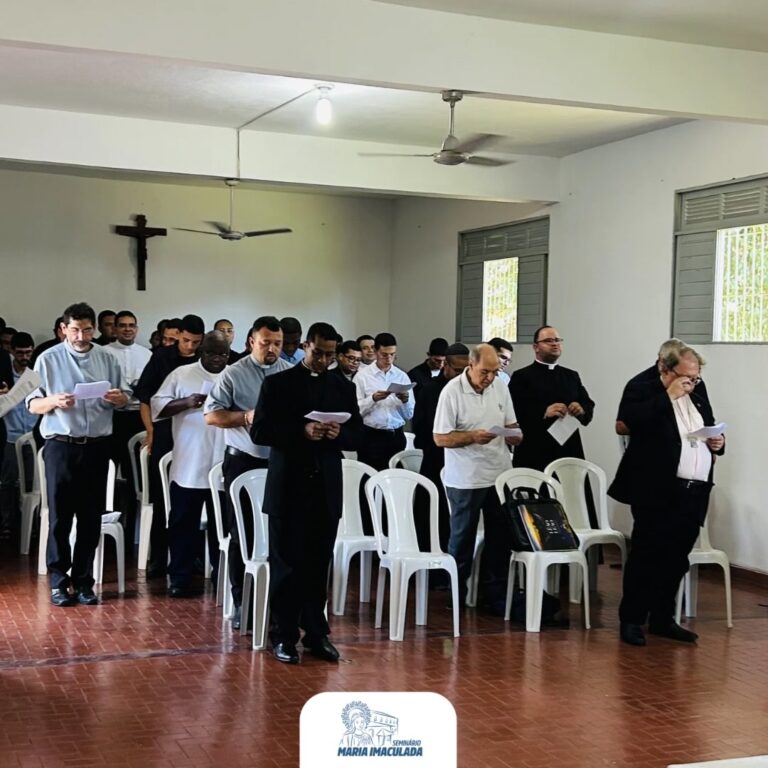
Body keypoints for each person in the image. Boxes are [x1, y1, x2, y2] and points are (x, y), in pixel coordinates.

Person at [251, 321, 362, 664]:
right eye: (318, 352)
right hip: (288, 486)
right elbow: (260, 431)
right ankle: (283, 635)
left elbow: (356, 434)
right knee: (286, 565)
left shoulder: (342, 387)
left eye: (331, 354)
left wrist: (335, 435)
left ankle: (316, 633)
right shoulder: (278, 383)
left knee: (318, 564)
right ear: (305, 347)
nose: (324, 360)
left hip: (325, 487)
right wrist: (303, 430)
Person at [610, 342, 725, 647]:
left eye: (696, 377)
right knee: (647, 555)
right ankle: (632, 619)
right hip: (656, 488)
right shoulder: (641, 386)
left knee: (676, 559)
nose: (691, 383)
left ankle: (663, 618)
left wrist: (718, 442)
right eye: (686, 377)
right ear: (665, 368)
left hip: (694, 491)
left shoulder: (698, 390)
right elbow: (627, 423)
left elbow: (708, 424)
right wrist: (667, 397)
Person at [26, 302, 129, 606]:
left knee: (89, 516)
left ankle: (84, 581)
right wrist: (53, 401)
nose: (81, 335)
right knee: (59, 516)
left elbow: (125, 397)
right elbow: (32, 404)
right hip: (61, 444)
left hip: (97, 444)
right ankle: (58, 581)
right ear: (63, 329)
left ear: (94, 329)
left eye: (86, 329)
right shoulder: (47, 359)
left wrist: (118, 398)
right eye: (74, 329)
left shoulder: (107, 358)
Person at [204, 316, 291, 629]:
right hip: (244, 461)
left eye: (277, 343)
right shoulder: (233, 374)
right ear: (251, 341)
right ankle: (242, 600)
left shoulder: (288, 373)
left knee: (281, 534)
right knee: (243, 535)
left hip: (280, 462)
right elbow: (212, 416)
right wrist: (245, 417)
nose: (271, 348)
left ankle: (279, 602)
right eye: (265, 342)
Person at [433, 343, 522, 608]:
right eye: (485, 371)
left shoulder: (500, 387)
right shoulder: (451, 392)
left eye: (495, 372)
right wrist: (472, 437)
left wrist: (516, 435)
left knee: (500, 538)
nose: (490, 378)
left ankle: (494, 595)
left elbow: (512, 425)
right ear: (470, 366)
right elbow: (440, 438)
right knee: (462, 540)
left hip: (498, 474)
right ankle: (456, 595)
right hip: (465, 478)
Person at [151, 332, 228, 597]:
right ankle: (180, 578)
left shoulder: (234, 375)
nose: (217, 359)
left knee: (223, 526)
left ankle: (223, 577)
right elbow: (156, 407)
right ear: (201, 351)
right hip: (189, 463)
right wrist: (186, 402)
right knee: (183, 523)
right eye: (212, 353)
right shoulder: (181, 375)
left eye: (223, 354)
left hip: (223, 464)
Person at [134, 314, 204, 574]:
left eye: (196, 342)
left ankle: (191, 556)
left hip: (196, 436)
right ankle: (159, 556)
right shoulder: (162, 358)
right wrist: (150, 431)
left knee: (193, 496)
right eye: (185, 341)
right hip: (164, 433)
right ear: (178, 337)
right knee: (162, 497)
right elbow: (145, 398)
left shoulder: (205, 359)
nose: (190, 347)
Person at [509, 326, 594, 471]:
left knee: (571, 491)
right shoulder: (521, 377)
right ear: (536, 347)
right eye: (548, 340)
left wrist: (581, 409)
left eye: (557, 340)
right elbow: (512, 413)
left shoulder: (571, 376)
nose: (554, 344)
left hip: (569, 449)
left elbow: (588, 404)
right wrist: (543, 412)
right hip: (535, 449)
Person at [412, 342, 469, 551]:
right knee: (433, 513)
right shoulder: (429, 391)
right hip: (436, 460)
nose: (462, 375)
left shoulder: (470, 390)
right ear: (446, 365)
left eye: (466, 370)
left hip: (463, 462)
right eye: (457, 370)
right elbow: (420, 431)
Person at [354, 332, 414, 470]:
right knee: (369, 478)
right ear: (375, 352)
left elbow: (409, 414)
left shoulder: (402, 376)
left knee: (395, 480)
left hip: (396, 436)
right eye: (384, 354)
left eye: (392, 354)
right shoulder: (362, 376)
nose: (389, 359)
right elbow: (355, 410)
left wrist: (405, 401)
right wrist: (373, 399)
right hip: (371, 436)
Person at [106, 311, 152, 482]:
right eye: (123, 325)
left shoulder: (146, 354)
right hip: (112, 416)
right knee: (111, 465)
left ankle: (137, 504)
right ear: (115, 329)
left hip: (138, 415)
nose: (127, 329)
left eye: (131, 325)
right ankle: (113, 505)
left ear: (137, 329)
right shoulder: (104, 352)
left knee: (137, 468)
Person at [0, 332, 37, 540]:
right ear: (12, 352)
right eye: (20, 352)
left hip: (32, 436)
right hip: (11, 435)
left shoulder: (36, 375)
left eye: (28, 352)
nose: (24, 356)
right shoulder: (5, 376)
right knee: (8, 482)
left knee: (32, 482)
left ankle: (30, 524)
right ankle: (7, 523)